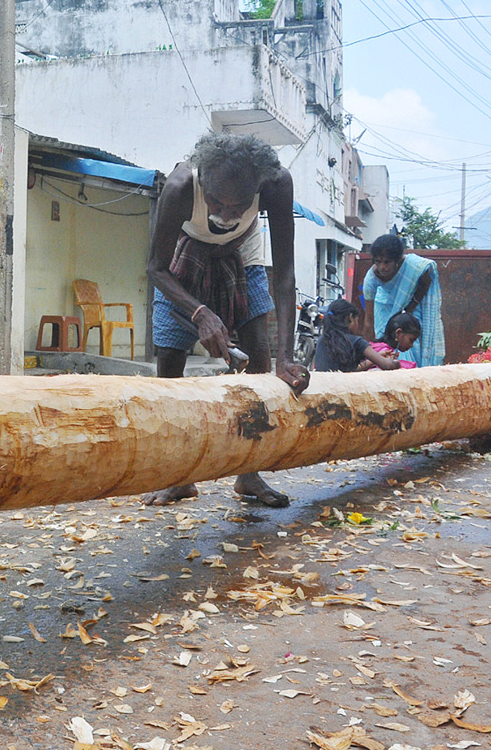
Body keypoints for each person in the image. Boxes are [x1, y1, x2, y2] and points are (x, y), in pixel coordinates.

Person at [143, 132, 310, 507]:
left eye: (238, 205)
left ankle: (248, 474)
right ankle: (178, 477)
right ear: (204, 180)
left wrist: (286, 357)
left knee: (261, 358)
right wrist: (200, 313)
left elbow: (283, 275)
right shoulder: (181, 184)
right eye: (217, 200)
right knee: (169, 362)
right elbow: (155, 269)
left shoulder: (277, 183)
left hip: (242, 251)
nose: (226, 212)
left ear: (258, 188)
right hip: (184, 253)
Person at [362, 234, 444, 367]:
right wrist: (365, 355)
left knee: (411, 343)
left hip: (410, 308)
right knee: (386, 345)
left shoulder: (412, 265)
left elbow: (426, 276)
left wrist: (410, 307)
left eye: (387, 262)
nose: (382, 267)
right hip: (384, 309)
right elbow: (369, 320)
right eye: (378, 261)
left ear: (397, 261)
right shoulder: (371, 279)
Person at [314, 299, 402, 372]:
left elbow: (347, 371)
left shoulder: (322, 340)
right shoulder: (356, 341)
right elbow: (387, 365)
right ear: (350, 318)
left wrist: (377, 357)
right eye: (357, 320)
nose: (358, 325)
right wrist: (396, 363)